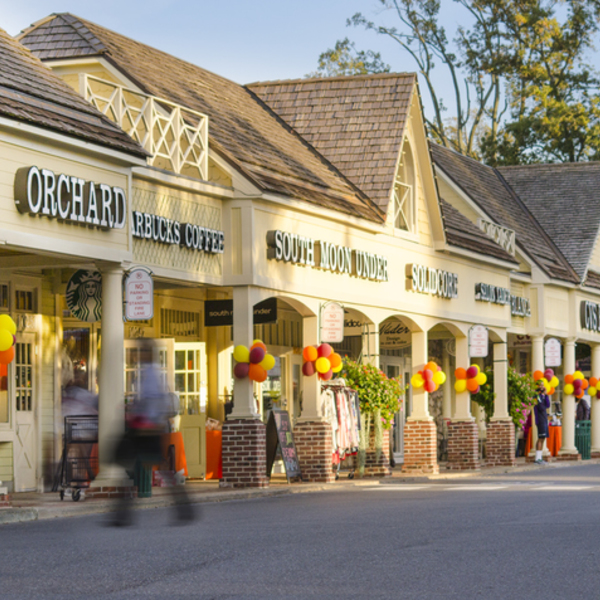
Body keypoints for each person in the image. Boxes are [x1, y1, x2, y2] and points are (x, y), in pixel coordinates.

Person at [111, 339, 195, 526]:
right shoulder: (148, 373)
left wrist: (150, 422)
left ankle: (185, 509)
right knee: (136, 467)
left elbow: (156, 402)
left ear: (147, 354)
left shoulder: (152, 374)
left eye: (140, 352)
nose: (137, 356)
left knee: (141, 467)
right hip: (144, 427)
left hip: (146, 429)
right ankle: (123, 516)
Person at [534, 381, 551, 465]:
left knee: (543, 438)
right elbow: (541, 407)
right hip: (540, 420)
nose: (542, 387)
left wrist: (546, 395)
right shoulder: (537, 396)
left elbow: (548, 405)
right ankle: (537, 458)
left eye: (543, 385)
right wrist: (542, 396)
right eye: (540, 385)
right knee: (540, 438)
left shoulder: (543, 396)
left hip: (544, 419)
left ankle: (540, 457)